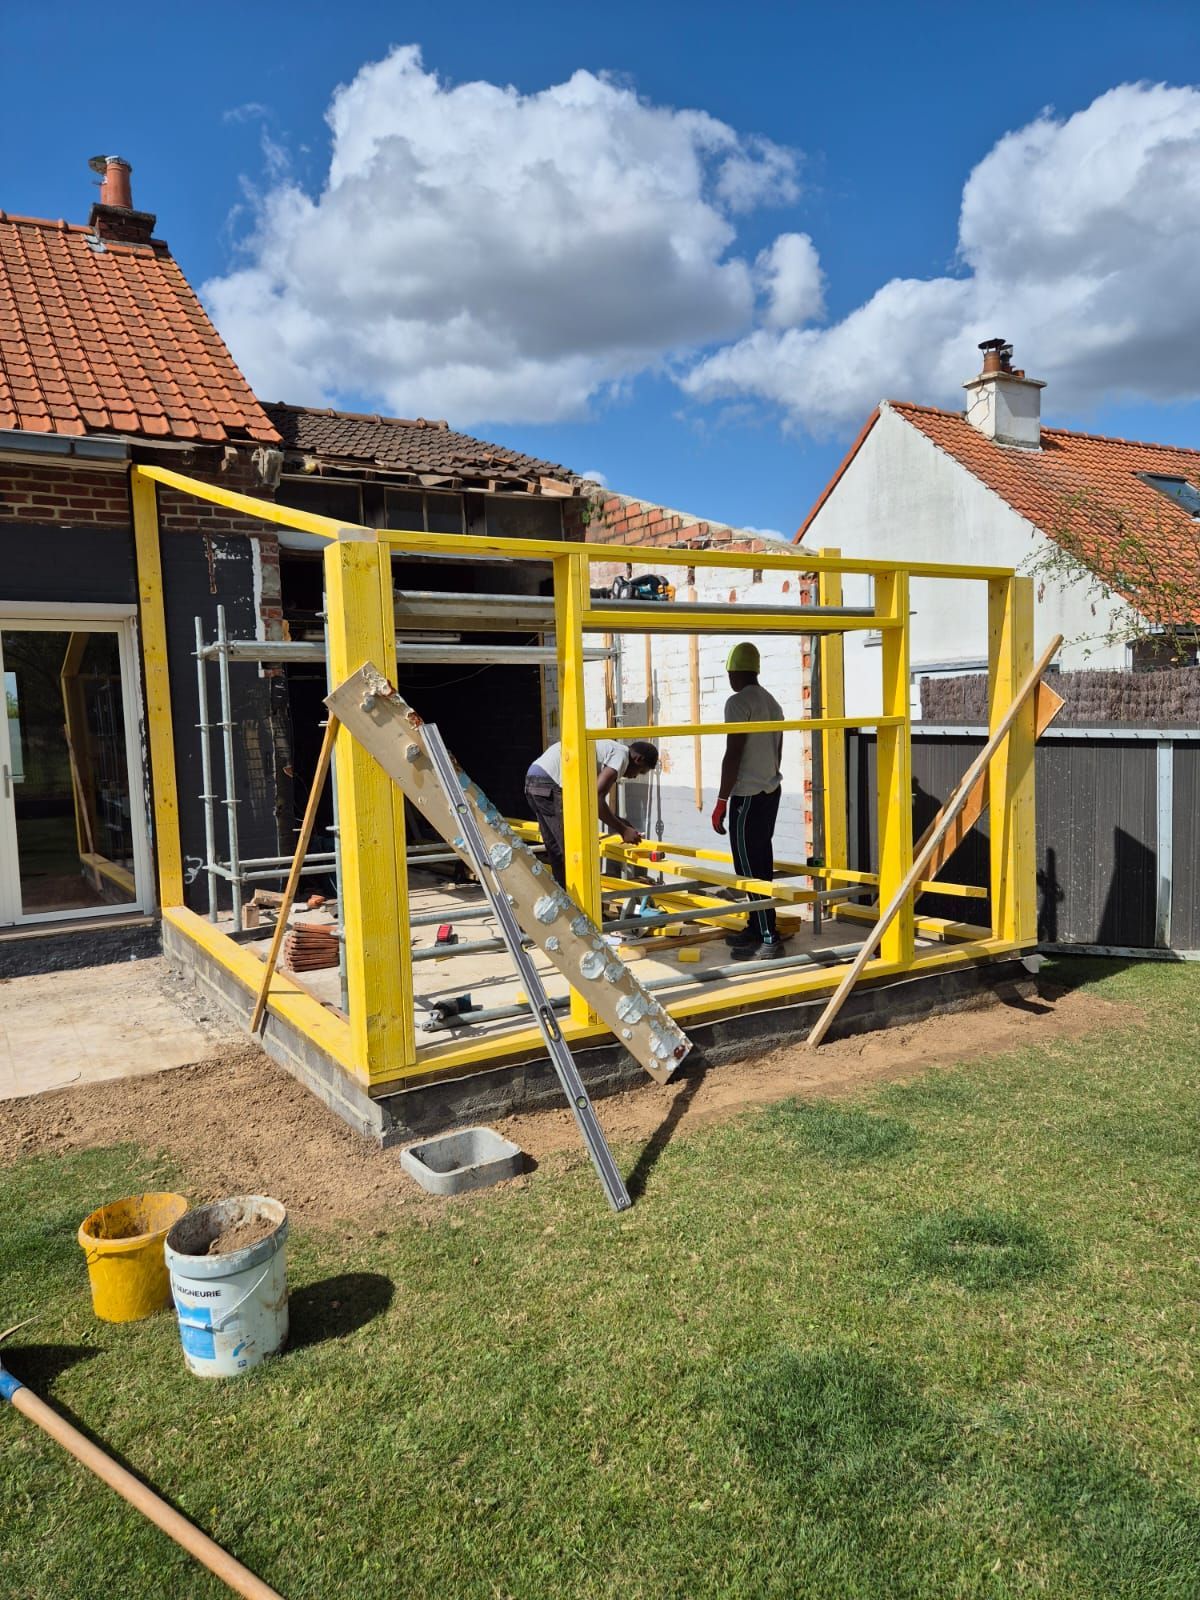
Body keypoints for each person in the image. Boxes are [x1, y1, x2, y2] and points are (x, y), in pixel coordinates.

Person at [711, 642, 787, 960]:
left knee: (748, 869)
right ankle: (757, 927)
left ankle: (768, 938)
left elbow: (733, 753)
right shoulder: (771, 702)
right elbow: (777, 749)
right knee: (761, 862)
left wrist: (721, 800)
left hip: (747, 796)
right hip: (770, 791)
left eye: (730, 673)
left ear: (736, 673)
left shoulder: (738, 702)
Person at [525, 735, 659, 887]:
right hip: (549, 784)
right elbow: (595, 799)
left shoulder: (608, 749)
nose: (634, 776)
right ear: (638, 759)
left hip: (533, 780)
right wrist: (623, 830)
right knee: (572, 851)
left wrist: (621, 823)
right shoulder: (621, 755)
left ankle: (564, 896)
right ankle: (576, 898)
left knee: (556, 850)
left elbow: (590, 799)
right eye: (640, 772)